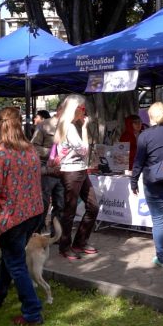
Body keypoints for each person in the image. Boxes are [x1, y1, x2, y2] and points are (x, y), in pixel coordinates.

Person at [0, 107, 45, 326]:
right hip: (32, 213)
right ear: (19, 124)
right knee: (10, 258)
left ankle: (33, 312)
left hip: (11, 218)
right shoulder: (30, 150)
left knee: (15, 263)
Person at [130, 102, 163, 268]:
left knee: (158, 220)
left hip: (152, 181)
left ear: (150, 116)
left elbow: (138, 162)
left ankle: (161, 258)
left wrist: (133, 181)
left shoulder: (144, 135)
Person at [55, 94, 99, 260]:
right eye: (82, 109)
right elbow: (84, 150)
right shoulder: (69, 126)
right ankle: (65, 247)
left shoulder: (70, 125)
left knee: (93, 206)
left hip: (79, 170)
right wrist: (86, 129)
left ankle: (79, 242)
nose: (84, 112)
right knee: (70, 211)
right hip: (72, 172)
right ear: (75, 109)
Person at [31, 109, 64, 234]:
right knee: (43, 204)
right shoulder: (43, 125)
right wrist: (53, 153)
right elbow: (34, 147)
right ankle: (36, 234)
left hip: (64, 170)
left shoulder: (70, 126)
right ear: (61, 110)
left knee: (61, 204)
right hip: (47, 170)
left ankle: (56, 235)